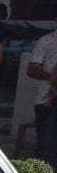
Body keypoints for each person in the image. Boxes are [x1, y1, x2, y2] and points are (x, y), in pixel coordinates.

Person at [28, 28, 57, 165]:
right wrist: (52, 78)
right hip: (46, 99)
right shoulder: (46, 40)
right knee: (45, 144)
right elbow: (32, 69)